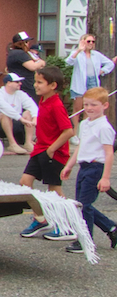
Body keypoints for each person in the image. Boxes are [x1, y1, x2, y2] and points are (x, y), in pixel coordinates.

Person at [18, 65, 76, 240]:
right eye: (36, 81)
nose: (36, 85)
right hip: (40, 149)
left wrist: (51, 149)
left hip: (53, 153)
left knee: (54, 190)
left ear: (53, 85)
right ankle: (41, 218)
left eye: (40, 82)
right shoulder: (44, 100)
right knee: (24, 182)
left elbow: (68, 131)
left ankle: (68, 226)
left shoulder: (56, 105)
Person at [60, 87, 117, 254]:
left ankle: (86, 240)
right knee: (82, 205)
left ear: (105, 105)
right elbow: (81, 147)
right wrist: (70, 165)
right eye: (86, 104)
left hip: (95, 168)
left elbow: (108, 154)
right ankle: (111, 228)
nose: (89, 108)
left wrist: (105, 178)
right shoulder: (84, 124)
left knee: (84, 205)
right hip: (84, 167)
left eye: (94, 104)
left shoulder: (104, 128)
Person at [0, 72, 38, 154]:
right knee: (5, 114)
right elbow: (6, 108)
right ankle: (12, 144)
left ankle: (28, 143)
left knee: (28, 113)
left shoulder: (21, 94)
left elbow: (32, 106)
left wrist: (35, 118)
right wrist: (21, 119)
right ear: (9, 83)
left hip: (14, 122)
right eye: (17, 82)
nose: (20, 83)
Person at [65, 33, 114, 122]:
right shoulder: (78, 54)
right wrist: (78, 50)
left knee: (89, 109)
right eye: (88, 41)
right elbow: (68, 62)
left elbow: (110, 63)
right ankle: (75, 132)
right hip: (80, 83)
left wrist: (102, 71)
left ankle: (85, 131)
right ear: (83, 42)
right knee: (77, 109)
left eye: (93, 41)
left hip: (93, 82)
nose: (91, 43)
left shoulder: (96, 55)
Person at [6, 32, 45, 98]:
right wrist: (42, 62)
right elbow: (33, 67)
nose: (28, 44)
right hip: (25, 86)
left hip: (22, 85)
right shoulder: (19, 53)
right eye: (26, 42)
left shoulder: (15, 53)